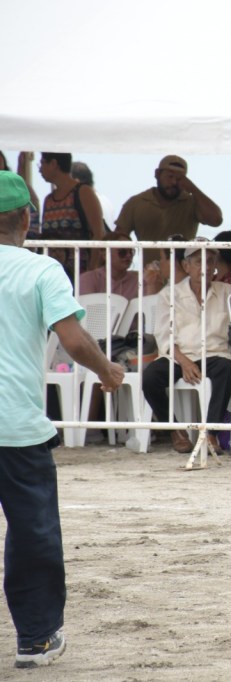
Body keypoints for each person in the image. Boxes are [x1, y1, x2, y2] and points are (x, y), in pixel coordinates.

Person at [0, 170, 125, 668]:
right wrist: (107, 370)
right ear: (26, 219)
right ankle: (35, 640)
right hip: (17, 425)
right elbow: (73, 340)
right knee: (32, 534)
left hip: (17, 424)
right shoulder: (41, 270)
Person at [142, 238, 231, 454]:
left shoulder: (227, 291)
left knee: (227, 369)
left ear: (215, 266)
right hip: (179, 356)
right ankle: (175, 431)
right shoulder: (169, 294)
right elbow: (164, 335)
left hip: (214, 354)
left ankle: (211, 433)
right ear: (186, 266)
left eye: (210, 261)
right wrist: (184, 362)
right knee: (150, 378)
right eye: (198, 262)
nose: (205, 267)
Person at [114, 155, 223, 264]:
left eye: (179, 179)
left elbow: (216, 220)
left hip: (184, 272)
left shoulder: (192, 203)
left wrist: (193, 189)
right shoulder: (136, 203)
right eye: (170, 176)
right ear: (157, 174)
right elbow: (117, 238)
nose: (174, 182)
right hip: (148, 272)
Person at [38, 152, 106, 277]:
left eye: (42, 163)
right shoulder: (48, 200)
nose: (40, 169)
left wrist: (91, 272)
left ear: (53, 164)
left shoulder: (83, 192)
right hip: (53, 274)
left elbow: (98, 233)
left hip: (80, 274)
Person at [78, 233, 162, 299]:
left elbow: (149, 308)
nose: (128, 255)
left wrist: (152, 283)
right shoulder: (88, 279)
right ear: (105, 254)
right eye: (122, 252)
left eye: (131, 251)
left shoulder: (139, 280)